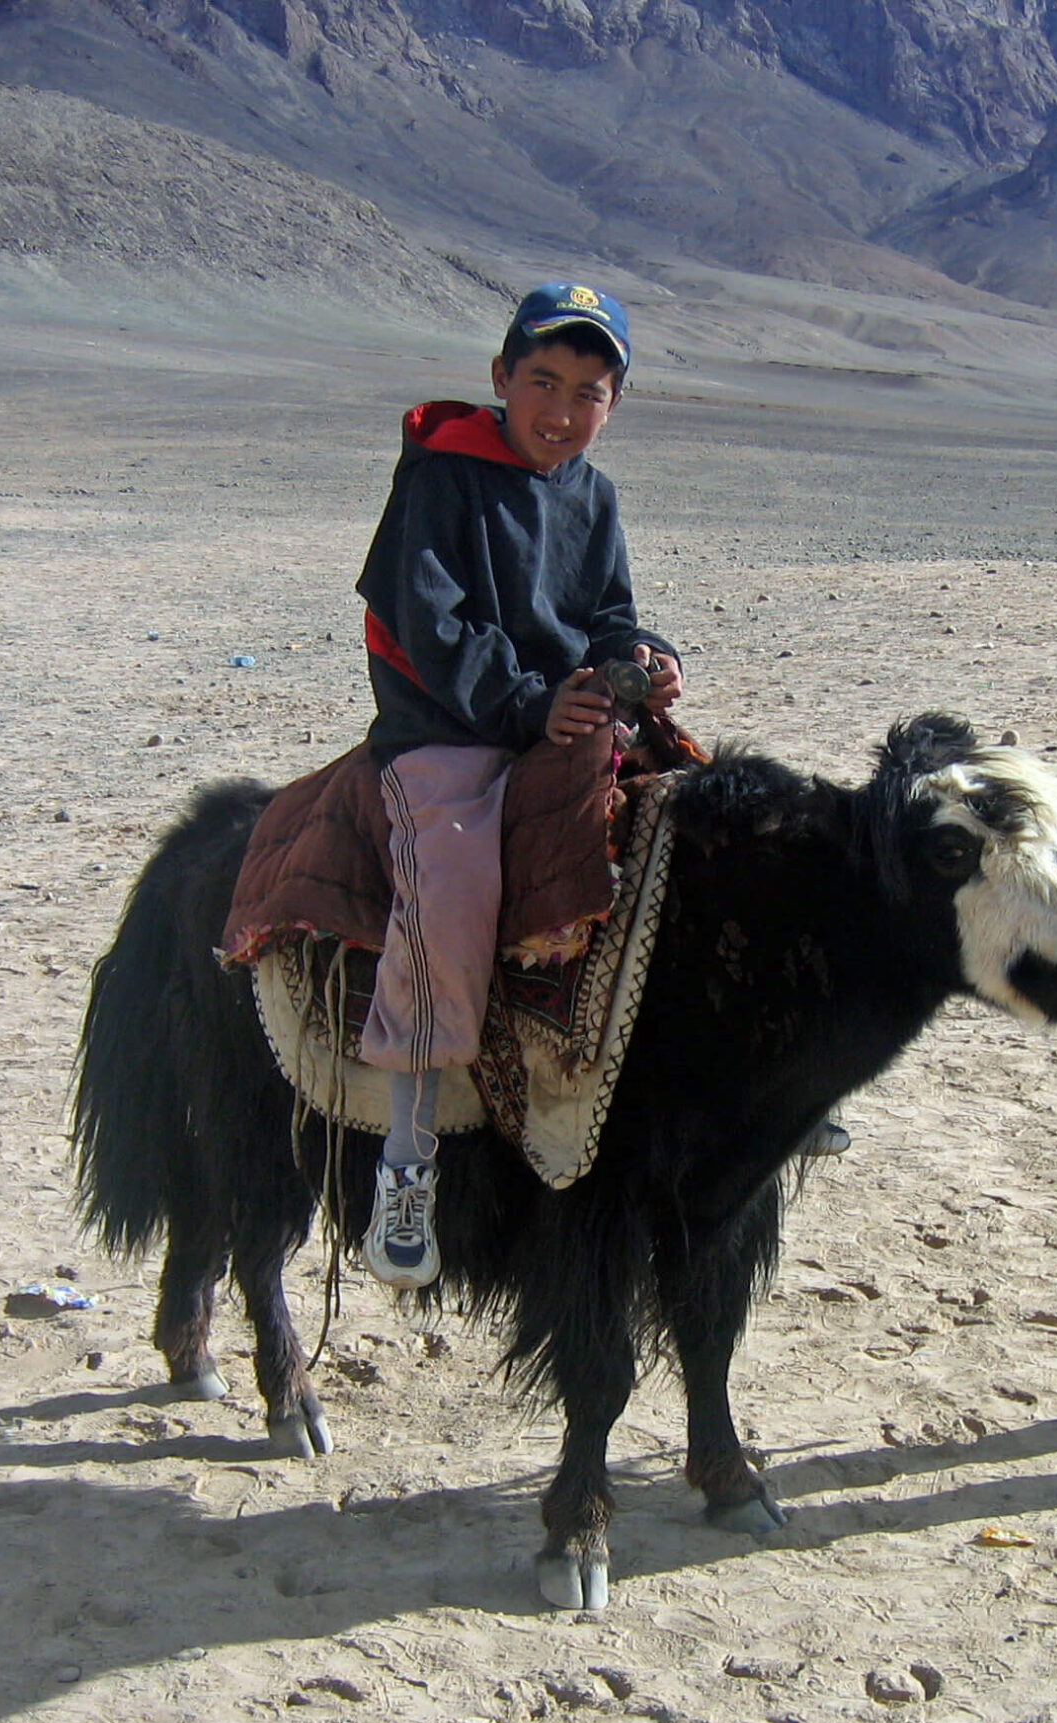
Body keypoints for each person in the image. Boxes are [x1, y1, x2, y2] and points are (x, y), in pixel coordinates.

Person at [353, 281, 681, 1289]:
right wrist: (528, 702)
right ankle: (406, 1159)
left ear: (613, 405)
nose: (562, 408)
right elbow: (425, 622)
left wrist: (643, 659)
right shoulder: (441, 477)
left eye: (589, 390)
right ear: (500, 378)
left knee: (702, 822)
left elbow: (611, 612)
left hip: (562, 720)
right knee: (449, 881)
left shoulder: (595, 496)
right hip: (446, 731)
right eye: (542, 380)